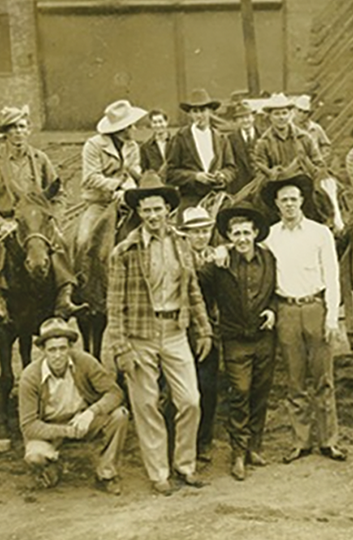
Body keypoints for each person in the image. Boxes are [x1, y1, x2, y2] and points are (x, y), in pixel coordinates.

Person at [106, 171, 213, 495]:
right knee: (147, 404)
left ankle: (185, 465)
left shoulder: (181, 244)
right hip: (140, 336)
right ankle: (159, 473)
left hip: (175, 331)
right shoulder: (125, 251)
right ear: (139, 213)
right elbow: (114, 306)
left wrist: (204, 329)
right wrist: (120, 346)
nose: (153, 216)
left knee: (190, 401)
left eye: (158, 209)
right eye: (146, 210)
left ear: (168, 210)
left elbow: (192, 289)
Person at [260, 174, 346, 464]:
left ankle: (329, 441)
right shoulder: (270, 236)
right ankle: (301, 441)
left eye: (293, 199)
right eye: (283, 200)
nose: (289, 204)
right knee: (295, 381)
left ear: (302, 201)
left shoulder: (320, 233)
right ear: (276, 204)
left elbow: (332, 278)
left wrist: (332, 317)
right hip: (287, 311)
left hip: (315, 309)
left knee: (323, 379)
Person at [0, 106, 84, 322]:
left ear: (28, 130)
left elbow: (58, 194)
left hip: (36, 222)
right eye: (12, 128)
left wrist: (53, 219)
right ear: (4, 133)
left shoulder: (40, 159)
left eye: (21, 127)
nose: (17, 133)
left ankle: (65, 296)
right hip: (7, 221)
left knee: (59, 242)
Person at [198, 203, 277, 480]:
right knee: (240, 392)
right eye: (236, 234)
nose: (242, 239)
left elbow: (275, 293)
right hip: (234, 340)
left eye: (246, 232)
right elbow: (193, 278)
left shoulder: (269, 260)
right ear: (229, 237)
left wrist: (273, 311)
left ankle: (255, 446)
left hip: (264, 338)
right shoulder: (220, 263)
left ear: (255, 233)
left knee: (260, 392)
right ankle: (238, 453)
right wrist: (209, 256)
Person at [18, 318, 128, 495]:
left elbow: (115, 393)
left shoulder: (85, 362)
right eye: (52, 349)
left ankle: (106, 473)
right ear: (42, 351)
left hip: (82, 419)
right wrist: (66, 431)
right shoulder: (30, 377)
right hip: (50, 428)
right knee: (35, 457)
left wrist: (92, 412)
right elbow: (29, 426)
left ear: (70, 347)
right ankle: (52, 465)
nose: (58, 355)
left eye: (62, 348)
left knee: (119, 415)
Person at [76, 100, 146, 263]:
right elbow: (91, 177)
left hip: (126, 199)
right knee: (83, 241)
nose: (134, 129)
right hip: (99, 202)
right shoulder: (93, 145)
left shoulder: (132, 146)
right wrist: (116, 186)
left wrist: (128, 191)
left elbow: (134, 171)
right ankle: (80, 277)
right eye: (131, 126)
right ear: (122, 129)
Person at [178, 206, 221, 463]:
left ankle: (204, 439)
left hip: (210, 330)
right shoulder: (179, 258)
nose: (201, 237)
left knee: (208, 385)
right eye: (195, 232)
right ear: (185, 235)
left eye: (205, 231)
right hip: (181, 330)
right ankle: (183, 441)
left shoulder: (217, 256)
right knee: (181, 389)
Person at [165, 88, 236, 213]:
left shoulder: (221, 138)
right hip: (191, 199)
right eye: (195, 111)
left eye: (203, 110)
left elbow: (231, 168)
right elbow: (170, 173)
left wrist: (223, 176)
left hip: (217, 198)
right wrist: (195, 176)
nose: (199, 115)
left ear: (210, 112)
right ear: (190, 114)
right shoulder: (181, 138)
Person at [251, 93, 325, 191]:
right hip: (276, 187)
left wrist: (311, 169)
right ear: (270, 117)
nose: (281, 117)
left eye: (284, 113)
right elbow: (259, 170)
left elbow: (319, 164)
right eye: (276, 114)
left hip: (304, 186)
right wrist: (274, 174)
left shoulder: (304, 138)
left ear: (290, 114)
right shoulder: (263, 142)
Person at [226, 103, 259, 195]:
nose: (245, 120)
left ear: (253, 117)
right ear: (236, 121)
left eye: (248, 116)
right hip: (239, 189)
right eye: (241, 117)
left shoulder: (264, 136)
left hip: (261, 187)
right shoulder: (229, 140)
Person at [292, 95, 333, 164]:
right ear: (294, 110)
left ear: (309, 113)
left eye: (305, 112)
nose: (301, 114)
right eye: (299, 111)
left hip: (313, 165)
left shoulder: (315, 128)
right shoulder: (287, 128)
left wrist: (321, 159)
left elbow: (326, 146)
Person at [140, 109, 171, 173]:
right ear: (151, 124)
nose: (158, 125)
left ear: (166, 122)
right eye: (155, 122)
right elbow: (144, 170)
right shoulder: (145, 147)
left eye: (160, 121)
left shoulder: (177, 142)